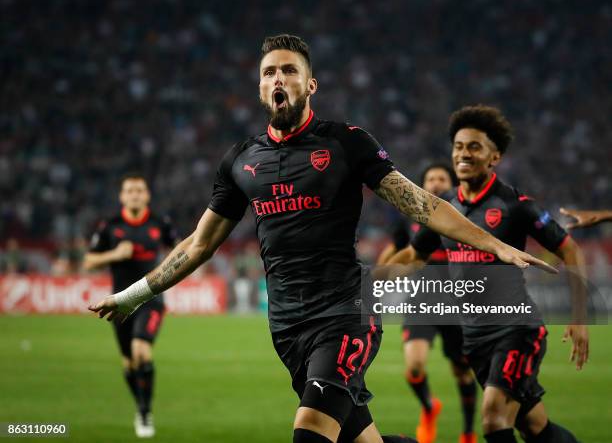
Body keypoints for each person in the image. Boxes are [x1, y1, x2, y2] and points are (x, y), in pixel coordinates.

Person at [89, 35, 554, 443]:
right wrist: (134, 296)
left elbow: (422, 204)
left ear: (310, 85)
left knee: (310, 431)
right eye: (269, 71)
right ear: (259, 87)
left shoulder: (346, 143)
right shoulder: (240, 160)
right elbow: (198, 245)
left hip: (346, 315)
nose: (279, 78)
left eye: (290, 70)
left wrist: (493, 243)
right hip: (287, 328)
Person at [390, 105, 589, 443]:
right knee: (534, 425)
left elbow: (570, 249)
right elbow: (414, 254)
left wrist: (580, 318)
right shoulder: (444, 208)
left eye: (474, 147)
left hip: (516, 331)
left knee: (495, 420)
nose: (463, 154)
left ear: (494, 157)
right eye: (458, 146)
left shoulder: (516, 205)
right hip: (475, 339)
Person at [378, 163, 477, 443]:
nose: (435, 183)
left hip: (458, 305)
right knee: (414, 366)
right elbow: (395, 249)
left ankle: (468, 433)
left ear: (453, 182)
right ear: (421, 184)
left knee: (462, 371)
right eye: (430, 178)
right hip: (420, 302)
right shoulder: (409, 216)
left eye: (441, 178)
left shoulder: (464, 217)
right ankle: (429, 407)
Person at [84, 173, 178, 438]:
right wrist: (115, 254)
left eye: (139, 190)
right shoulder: (109, 226)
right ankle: (140, 406)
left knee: (141, 351)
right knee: (128, 364)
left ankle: (145, 414)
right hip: (119, 304)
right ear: (122, 196)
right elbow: (89, 261)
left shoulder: (161, 223)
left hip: (151, 300)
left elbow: (180, 250)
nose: (135, 194)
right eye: (130, 191)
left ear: (147, 195)